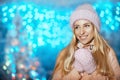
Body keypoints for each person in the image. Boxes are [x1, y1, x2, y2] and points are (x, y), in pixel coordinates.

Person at [52, 3, 120, 80]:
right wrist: (74, 73)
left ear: (94, 28)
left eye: (86, 25)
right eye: (77, 27)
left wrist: (94, 73)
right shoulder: (64, 53)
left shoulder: (107, 52)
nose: (81, 32)